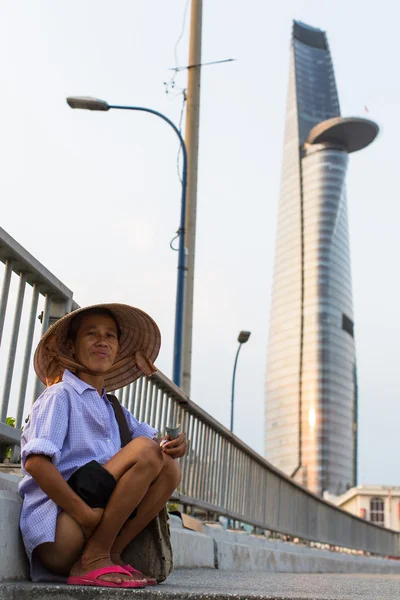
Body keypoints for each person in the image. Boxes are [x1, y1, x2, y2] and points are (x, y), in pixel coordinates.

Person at [19, 303, 186, 589]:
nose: (102, 341)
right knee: (146, 450)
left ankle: (109, 553)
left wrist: (173, 445)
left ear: (118, 349)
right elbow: (35, 462)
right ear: (71, 348)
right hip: (62, 527)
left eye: (110, 336)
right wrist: (83, 514)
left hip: (94, 521)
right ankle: (93, 558)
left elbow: (155, 444)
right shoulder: (61, 395)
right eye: (91, 334)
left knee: (169, 466)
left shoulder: (111, 407)